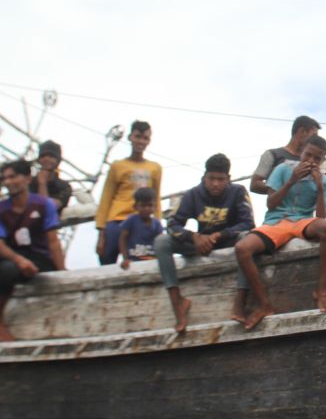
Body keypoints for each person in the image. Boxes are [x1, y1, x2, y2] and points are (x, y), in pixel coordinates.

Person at [233, 135, 326, 330]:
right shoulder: (281, 170)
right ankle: (264, 304)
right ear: (301, 153)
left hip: (302, 222)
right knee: (242, 248)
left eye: (317, 159)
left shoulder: (323, 181)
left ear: (322, 161)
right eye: (308, 155)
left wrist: (321, 189)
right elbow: (271, 203)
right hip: (276, 223)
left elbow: (321, 217)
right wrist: (292, 180)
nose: (311, 161)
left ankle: (321, 289)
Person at [154, 154, 254, 332]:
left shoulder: (238, 191)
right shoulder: (193, 194)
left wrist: (218, 234)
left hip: (227, 242)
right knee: (162, 242)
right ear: (204, 178)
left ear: (228, 179)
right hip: (200, 244)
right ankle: (177, 302)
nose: (215, 183)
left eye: (221, 179)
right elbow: (172, 224)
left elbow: (248, 223)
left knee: (248, 238)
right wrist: (193, 237)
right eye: (211, 179)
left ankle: (240, 301)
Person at [0, 160, 65, 341]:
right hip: (12, 259)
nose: (8, 182)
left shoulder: (44, 205)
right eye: (5, 178)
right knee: (6, 271)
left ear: (27, 178)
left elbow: (53, 241)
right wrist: (19, 260)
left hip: (38, 258)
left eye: (13, 177)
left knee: (50, 274)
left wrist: (62, 271)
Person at [95, 120, 162, 266]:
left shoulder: (155, 168)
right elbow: (106, 198)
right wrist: (101, 233)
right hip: (116, 220)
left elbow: (156, 198)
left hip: (142, 222)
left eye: (145, 138)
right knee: (107, 261)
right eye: (138, 136)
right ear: (130, 137)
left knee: (143, 263)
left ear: (149, 141)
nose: (141, 141)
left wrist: (157, 224)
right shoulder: (117, 166)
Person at [250, 115, 326, 194]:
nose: (316, 139)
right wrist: (284, 187)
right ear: (302, 131)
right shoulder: (272, 154)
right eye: (313, 135)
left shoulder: (317, 160)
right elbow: (254, 185)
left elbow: (325, 185)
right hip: (278, 208)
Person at [118, 187, 163, 269]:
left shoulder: (157, 224)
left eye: (150, 205)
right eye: (143, 205)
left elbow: (161, 242)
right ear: (135, 206)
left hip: (152, 260)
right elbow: (122, 239)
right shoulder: (131, 220)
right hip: (133, 261)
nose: (146, 208)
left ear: (155, 207)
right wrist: (125, 259)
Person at [29, 139, 72, 214]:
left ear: (58, 161)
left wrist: (42, 184)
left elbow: (45, 210)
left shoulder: (64, 187)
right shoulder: (29, 182)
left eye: (51, 156)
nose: (46, 159)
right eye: (43, 156)